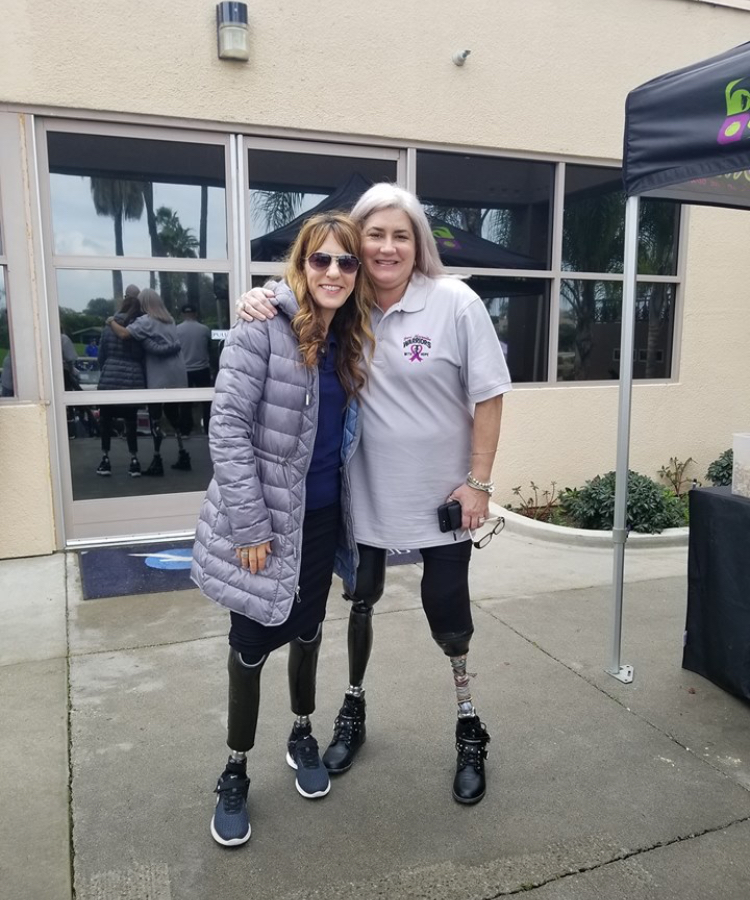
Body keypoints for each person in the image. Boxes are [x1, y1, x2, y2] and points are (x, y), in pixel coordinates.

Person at [237, 183, 511, 805]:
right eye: (375, 235)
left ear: (418, 244)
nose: (388, 247)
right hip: (362, 497)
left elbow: (489, 396)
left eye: (401, 235)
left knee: (449, 616)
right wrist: (259, 296)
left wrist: (479, 484)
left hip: (443, 498)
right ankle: (353, 709)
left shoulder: (455, 302)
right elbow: (298, 293)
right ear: (357, 244)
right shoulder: (344, 307)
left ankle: (469, 724)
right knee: (360, 601)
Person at [191, 212, 375, 847]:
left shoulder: (351, 336)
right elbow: (227, 429)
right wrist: (249, 525)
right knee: (250, 643)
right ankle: (235, 768)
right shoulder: (262, 326)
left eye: (346, 261)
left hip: (321, 520)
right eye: (321, 259)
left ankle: (302, 733)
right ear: (302, 264)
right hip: (263, 523)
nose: (334, 272)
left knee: (309, 628)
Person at [107, 289, 189, 476]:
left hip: (158, 376)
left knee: (155, 418)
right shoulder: (170, 321)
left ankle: (157, 458)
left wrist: (111, 321)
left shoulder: (146, 322)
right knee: (174, 416)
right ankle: (182, 452)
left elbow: (124, 334)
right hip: (177, 374)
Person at [95, 285, 146, 477]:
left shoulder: (109, 325)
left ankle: (105, 459)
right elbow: (142, 354)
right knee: (131, 420)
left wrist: (107, 369)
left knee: (106, 420)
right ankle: (134, 459)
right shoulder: (140, 324)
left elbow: (101, 355)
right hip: (132, 377)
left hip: (110, 376)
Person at [175, 303, 212, 436]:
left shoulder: (177, 330)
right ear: (196, 314)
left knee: (185, 403)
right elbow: (209, 347)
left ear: (182, 314)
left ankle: (185, 431)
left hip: (184, 370)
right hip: (202, 369)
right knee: (207, 402)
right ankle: (209, 429)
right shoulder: (204, 329)